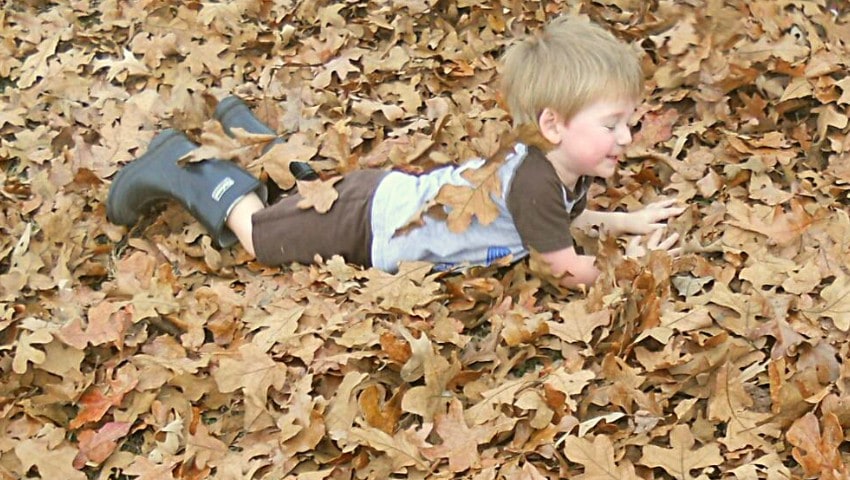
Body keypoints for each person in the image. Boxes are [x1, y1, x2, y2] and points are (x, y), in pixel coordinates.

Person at [106, 15, 683, 289]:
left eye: (627, 122)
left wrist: (625, 221)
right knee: (259, 235)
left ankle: (248, 135)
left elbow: (560, 221)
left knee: (302, 200)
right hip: (365, 226)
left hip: (380, 199)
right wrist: (633, 265)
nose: (627, 137)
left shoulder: (554, 166)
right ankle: (182, 162)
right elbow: (562, 264)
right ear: (553, 124)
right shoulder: (534, 180)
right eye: (612, 124)